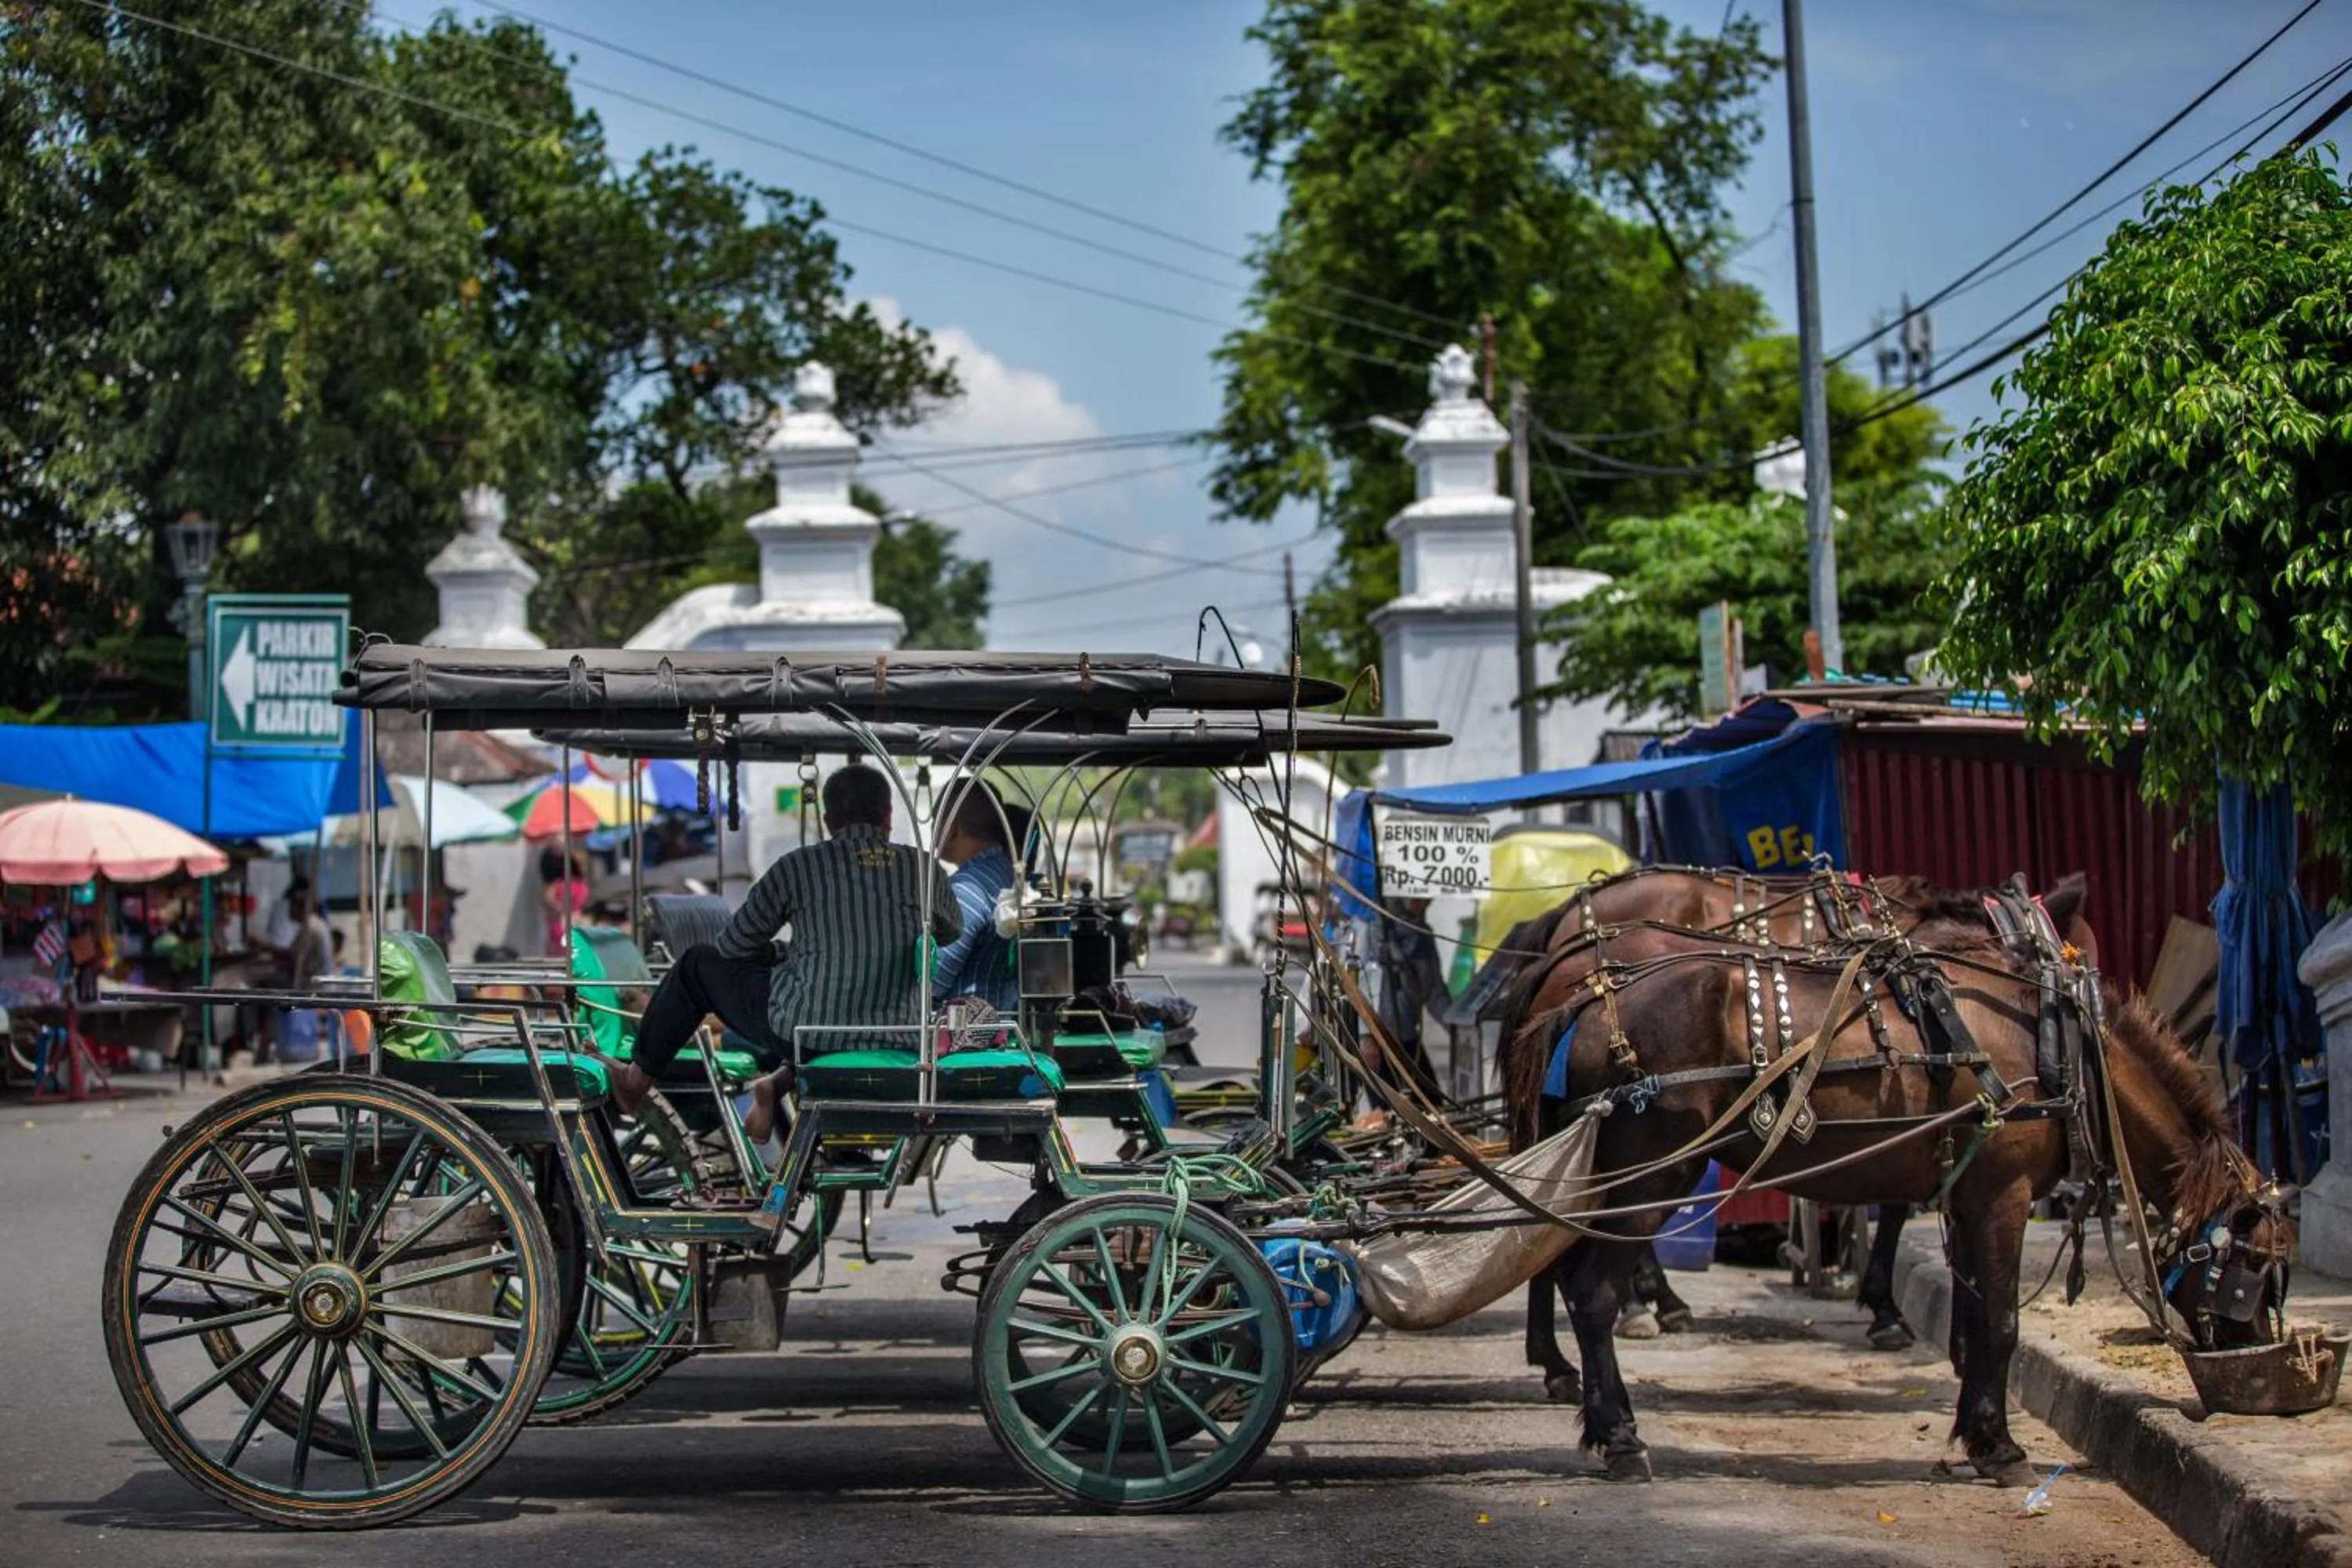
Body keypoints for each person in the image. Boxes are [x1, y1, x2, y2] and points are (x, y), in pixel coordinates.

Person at [608, 764, 957, 1144]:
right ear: (888, 816)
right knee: (805, 986)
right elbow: (952, 930)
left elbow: (732, 946)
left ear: (827, 820)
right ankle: (775, 1082)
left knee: (696, 964)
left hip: (806, 1036)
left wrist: (776, 953)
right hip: (899, 1035)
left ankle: (636, 1078)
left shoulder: (798, 866)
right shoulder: (924, 868)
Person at [931, 781, 1019, 1013]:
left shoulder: (966, 890)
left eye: (935, 823)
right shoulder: (1009, 874)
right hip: (1004, 1023)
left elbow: (932, 981)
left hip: (967, 1036)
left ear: (951, 829)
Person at [1374, 894, 1450, 1098]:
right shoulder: (1373, 929)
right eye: (1416, 898)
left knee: (1429, 1105)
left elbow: (1434, 993)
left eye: (1426, 899)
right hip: (1376, 1039)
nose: (1422, 904)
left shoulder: (1422, 936)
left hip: (1405, 1036)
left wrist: (1460, 1029)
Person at [540, 846, 589, 958]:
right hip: (569, 926)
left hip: (558, 925)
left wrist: (556, 908)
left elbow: (547, 899)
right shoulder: (582, 888)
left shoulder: (560, 883)